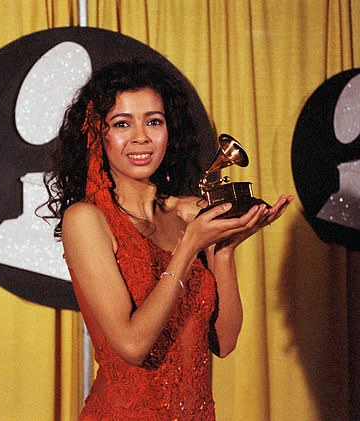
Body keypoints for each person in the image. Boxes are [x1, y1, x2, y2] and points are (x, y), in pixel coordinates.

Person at [45, 60, 292, 420]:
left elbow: (224, 342)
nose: (141, 137)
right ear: (99, 135)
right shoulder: (86, 219)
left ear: (169, 130)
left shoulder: (184, 214)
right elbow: (132, 346)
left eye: (154, 121)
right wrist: (189, 246)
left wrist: (222, 251)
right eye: (122, 123)